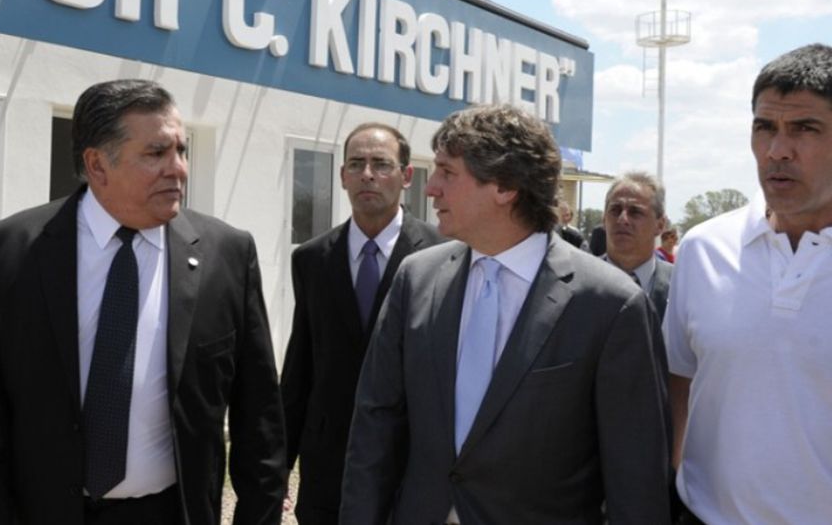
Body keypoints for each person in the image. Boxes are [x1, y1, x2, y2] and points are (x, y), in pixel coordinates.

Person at [0, 79, 286, 525]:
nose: (179, 168)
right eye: (156, 153)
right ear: (97, 164)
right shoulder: (11, 251)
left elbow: (259, 416)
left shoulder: (226, 254)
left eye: (181, 151)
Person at [340, 104, 669, 525]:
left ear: (506, 186)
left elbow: (636, 479)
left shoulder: (610, 305)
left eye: (447, 172)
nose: (430, 188)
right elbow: (375, 428)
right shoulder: (416, 279)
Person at [665, 44, 832, 524]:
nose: (778, 150)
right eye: (765, 127)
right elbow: (682, 380)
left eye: (805, 128)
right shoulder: (702, 250)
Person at [280, 123, 443, 524]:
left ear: (407, 176)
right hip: (328, 471)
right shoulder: (312, 259)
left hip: (411, 466)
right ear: (342, 177)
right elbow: (300, 366)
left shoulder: (445, 256)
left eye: (381, 164)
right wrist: (278, 464)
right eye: (356, 164)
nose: (367, 174)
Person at [602, 172, 672, 324]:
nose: (622, 219)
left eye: (635, 212)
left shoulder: (679, 286)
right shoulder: (576, 284)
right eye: (615, 210)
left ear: (660, 225)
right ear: (604, 219)